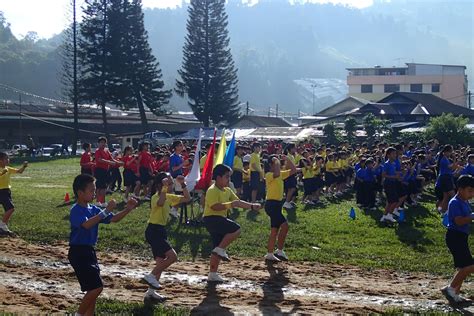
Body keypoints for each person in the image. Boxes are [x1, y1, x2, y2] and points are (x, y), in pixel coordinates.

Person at [68, 174, 138, 316]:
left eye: (95, 189)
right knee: (97, 288)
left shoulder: (93, 209)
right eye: (91, 190)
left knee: (92, 289)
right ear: (80, 193)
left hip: (89, 252)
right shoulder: (76, 210)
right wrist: (106, 211)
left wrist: (128, 209)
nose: (94, 193)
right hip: (78, 252)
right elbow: (86, 225)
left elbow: (114, 219)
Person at [203, 164, 261, 282]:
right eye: (226, 177)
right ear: (218, 178)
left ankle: (212, 273)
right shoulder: (212, 190)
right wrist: (230, 205)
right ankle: (220, 250)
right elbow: (215, 206)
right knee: (236, 229)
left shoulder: (227, 190)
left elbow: (237, 202)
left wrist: (252, 206)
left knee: (217, 246)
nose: (229, 179)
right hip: (212, 218)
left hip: (218, 219)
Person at [142, 173, 191, 301]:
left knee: (160, 263)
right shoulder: (155, 197)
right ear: (160, 185)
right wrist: (164, 187)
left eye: (170, 184)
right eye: (168, 184)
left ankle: (151, 292)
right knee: (173, 256)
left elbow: (187, 198)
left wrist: (183, 184)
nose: (170, 186)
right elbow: (160, 202)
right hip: (153, 230)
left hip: (161, 230)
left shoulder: (169, 196)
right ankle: (151, 276)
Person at [441, 175, 474, 304]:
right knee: (469, 266)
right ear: (460, 189)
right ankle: (450, 289)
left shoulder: (464, 201)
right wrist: (471, 217)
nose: (472, 194)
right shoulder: (455, 202)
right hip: (455, 236)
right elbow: (459, 221)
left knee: (462, 267)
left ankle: (455, 294)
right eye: (470, 191)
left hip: (461, 236)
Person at [264, 155, 296, 262]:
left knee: (274, 230)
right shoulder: (268, 175)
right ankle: (279, 250)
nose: (278, 164)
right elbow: (277, 173)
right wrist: (276, 160)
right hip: (271, 205)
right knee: (285, 226)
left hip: (277, 205)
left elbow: (293, 170)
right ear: (270, 165)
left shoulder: (280, 175)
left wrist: (287, 159)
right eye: (275, 163)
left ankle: (271, 253)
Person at [0, 152, 27, 234]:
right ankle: (2, 225)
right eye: (6, 158)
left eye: (8, 158)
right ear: (0, 160)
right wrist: (2, 173)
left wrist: (24, 166)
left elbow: (19, 171)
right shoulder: (4, 170)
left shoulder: (8, 168)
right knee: (10, 208)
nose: (8, 160)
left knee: (9, 208)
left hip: (6, 191)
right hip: (1, 191)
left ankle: (3, 226)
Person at [94, 137, 120, 207]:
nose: (103, 144)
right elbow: (99, 160)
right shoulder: (97, 151)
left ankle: (99, 201)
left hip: (106, 170)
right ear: (98, 143)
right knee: (102, 187)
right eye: (101, 142)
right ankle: (102, 202)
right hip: (99, 170)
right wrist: (109, 162)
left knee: (103, 186)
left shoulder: (106, 150)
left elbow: (111, 159)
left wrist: (119, 163)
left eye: (104, 142)